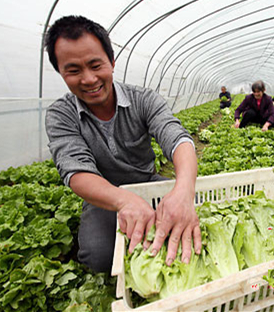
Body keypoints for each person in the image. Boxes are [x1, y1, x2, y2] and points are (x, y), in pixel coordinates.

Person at [44, 15, 201, 273]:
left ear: (112, 62)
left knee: (194, 223)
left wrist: (183, 191)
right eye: (73, 71)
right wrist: (123, 201)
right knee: (100, 257)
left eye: (96, 65)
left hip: (147, 182)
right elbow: (75, 171)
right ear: (61, 72)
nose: (89, 79)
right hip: (104, 196)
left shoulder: (143, 99)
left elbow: (177, 137)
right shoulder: (61, 114)